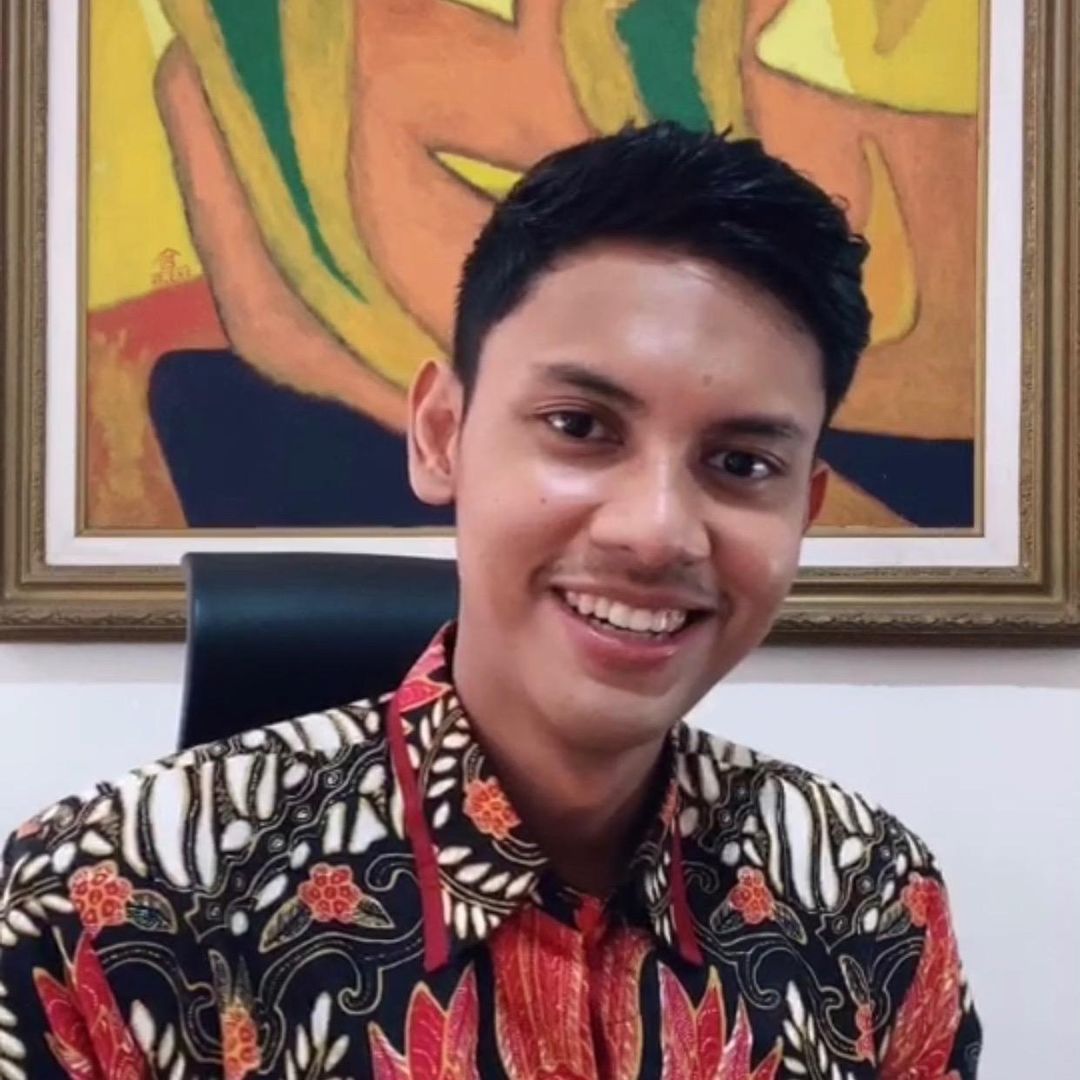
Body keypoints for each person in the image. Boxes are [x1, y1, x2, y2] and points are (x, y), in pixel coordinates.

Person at [0, 123, 980, 1078]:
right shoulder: (107, 906)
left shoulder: (866, 897)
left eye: (741, 463)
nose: (657, 531)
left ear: (804, 508)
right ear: (441, 434)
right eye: (580, 425)